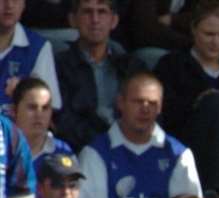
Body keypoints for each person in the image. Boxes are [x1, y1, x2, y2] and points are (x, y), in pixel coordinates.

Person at [78, 72, 205, 198]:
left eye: (152, 103)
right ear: (120, 103)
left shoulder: (178, 154)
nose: (145, 109)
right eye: (138, 101)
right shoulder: (95, 152)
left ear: (160, 107)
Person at [152, 0, 219, 198]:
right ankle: (211, 188)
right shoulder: (172, 65)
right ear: (194, 31)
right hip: (189, 145)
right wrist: (201, 101)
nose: (215, 42)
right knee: (214, 104)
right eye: (209, 34)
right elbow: (165, 114)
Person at [52, 0, 143, 152]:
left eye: (102, 12)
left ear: (114, 20)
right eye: (87, 12)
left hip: (129, 151)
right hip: (80, 152)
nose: (95, 20)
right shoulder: (60, 66)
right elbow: (62, 121)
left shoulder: (132, 67)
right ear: (72, 20)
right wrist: (104, 143)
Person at [0, 0, 61, 118]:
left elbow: (51, 105)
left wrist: (24, 91)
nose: (9, 5)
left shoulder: (38, 47)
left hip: (18, 133)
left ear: (24, 4)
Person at [12, 77, 70, 165]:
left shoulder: (62, 152)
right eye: (32, 107)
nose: (39, 115)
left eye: (45, 108)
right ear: (14, 111)